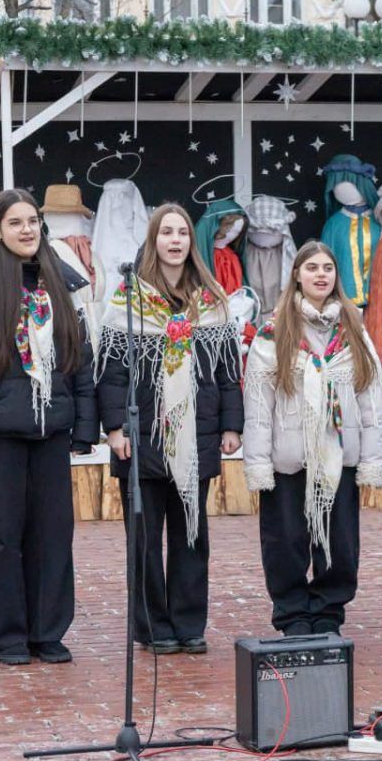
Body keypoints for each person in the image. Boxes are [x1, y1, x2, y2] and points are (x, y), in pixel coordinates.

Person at [0, 188, 97, 665]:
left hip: (51, 432)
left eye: (32, 221)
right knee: (4, 536)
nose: (27, 230)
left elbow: (81, 362)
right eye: (15, 223)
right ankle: (8, 637)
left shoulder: (65, 283)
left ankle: (47, 631)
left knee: (53, 534)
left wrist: (84, 428)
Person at [96, 203, 243, 655]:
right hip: (142, 436)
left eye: (182, 233)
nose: (175, 240)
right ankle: (153, 627)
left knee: (191, 536)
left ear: (190, 242)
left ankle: (188, 623)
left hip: (194, 436)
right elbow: (113, 373)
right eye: (166, 232)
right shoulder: (128, 299)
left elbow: (225, 371)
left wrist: (230, 425)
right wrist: (115, 428)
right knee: (144, 540)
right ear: (153, 240)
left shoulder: (213, 300)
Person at [243, 241, 382, 636]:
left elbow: (371, 399)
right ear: (297, 274)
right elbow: (259, 405)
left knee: (339, 543)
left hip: (338, 455)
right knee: (287, 539)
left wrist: (374, 458)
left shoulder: (354, 331)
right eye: (312, 268)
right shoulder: (274, 332)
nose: (321, 274)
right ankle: (292, 613)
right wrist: (258, 464)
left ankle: (328, 611)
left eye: (328, 267)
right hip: (289, 456)